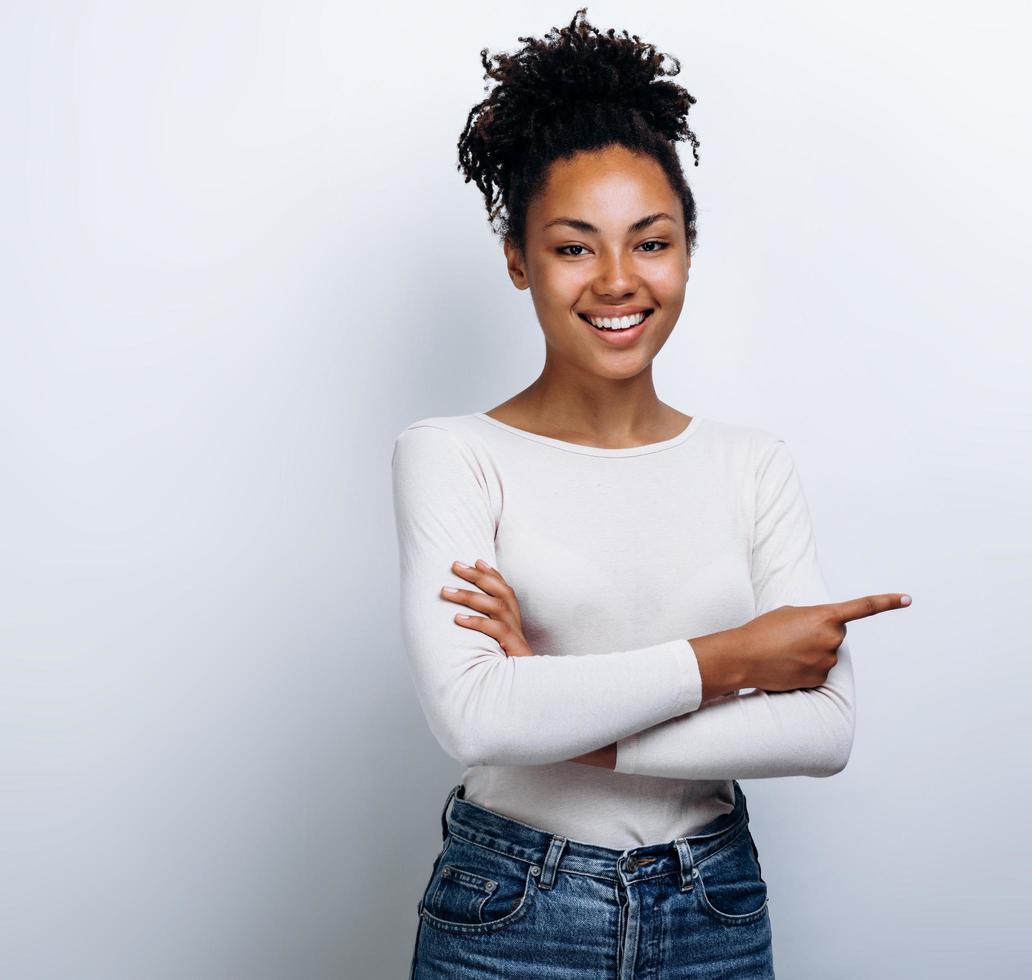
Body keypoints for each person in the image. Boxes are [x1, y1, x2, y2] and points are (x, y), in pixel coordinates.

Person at [390, 10, 911, 977]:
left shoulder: (752, 464)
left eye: (652, 242)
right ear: (519, 261)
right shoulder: (454, 456)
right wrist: (734, 656)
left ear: (685, 253)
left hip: (711, 905)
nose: (619, 281)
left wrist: (574, 727)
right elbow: (475, 716)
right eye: (574, 246)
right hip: (513, 913)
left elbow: (823, 729)